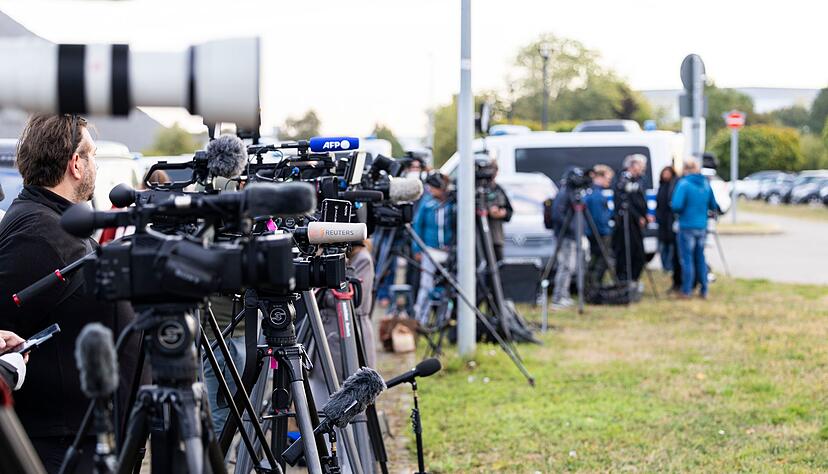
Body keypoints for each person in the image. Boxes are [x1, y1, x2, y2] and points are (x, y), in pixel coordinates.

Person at [0, 115, 141, 472]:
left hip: (82, 439)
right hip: (61, 448)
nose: (94, 164)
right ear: (75, 164)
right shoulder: (36, 234)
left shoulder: (51, 220)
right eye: (91, 155)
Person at [671, 159, 720, 299]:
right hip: (701, 226)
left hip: (687, 225)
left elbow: (676, 205)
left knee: (687, 259)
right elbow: (713, 205)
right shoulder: (705, 183)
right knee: (700, 258)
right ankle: (704, 289)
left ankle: (687, 290)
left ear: (685, 169)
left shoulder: (684, 184)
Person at [412, 172, 454, 323]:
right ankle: (421, 319)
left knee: (449, 286)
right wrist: (417, 249)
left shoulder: (451, 203)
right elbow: (417, 226)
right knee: (426, 285)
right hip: (430, 250)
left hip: (448, 251)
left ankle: (445, 318)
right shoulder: (427, 204)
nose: (430, 190)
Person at [612, 154, 651, 286]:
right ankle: (623, 279)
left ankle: (633, 278)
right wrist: (638, 216)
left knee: (639, 253)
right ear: (633, 166)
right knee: (625, 251)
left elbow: (640, 200)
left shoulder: (639, 180)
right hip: (626, 223)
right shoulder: (622, 179)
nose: (643, 169)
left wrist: (645, 215)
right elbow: (625, 201)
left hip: (637, 222)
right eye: (641, 166)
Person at [549, 171, 579, 309]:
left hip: (570, 235)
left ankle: (564, 295)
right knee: (565, 266)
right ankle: (558, 297)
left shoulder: (571, 193)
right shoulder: (564, 193)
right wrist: (572, 228)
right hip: (564, 235)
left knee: (570, 266)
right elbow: (557, 215)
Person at [584, 165, 614, 288]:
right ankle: (595, 284)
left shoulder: (592, 192)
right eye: (608, 178)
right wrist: (607, 228)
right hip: (600, 232)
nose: (609, 181)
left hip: (593, 232)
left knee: (595, 258)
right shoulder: (597, 195)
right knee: (602, 259)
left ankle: (591, 283)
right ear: (599, 177)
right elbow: (598, 218)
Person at [656, 166, 682, 292]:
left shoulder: (675, 185)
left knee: (672, 247)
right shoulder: (662, 186)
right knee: (662, 246)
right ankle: (666, 267)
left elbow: (675, 205)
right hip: (662, 221)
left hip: (670, 221)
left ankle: (670, 267)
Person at [482, 161, 513, 263]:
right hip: (479, 239)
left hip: (496, 239)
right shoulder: (475, 189)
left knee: (498, 267)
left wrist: (502, 213)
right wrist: (486, 211)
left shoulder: (498, 189)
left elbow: (509, 212)